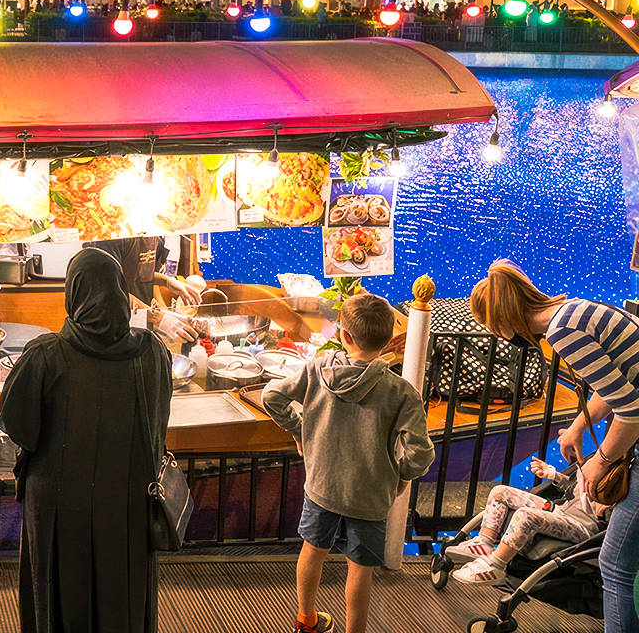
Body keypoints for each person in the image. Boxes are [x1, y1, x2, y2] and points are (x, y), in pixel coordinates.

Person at [0, 247, 171, 633]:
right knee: (123, 590)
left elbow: (17, 425)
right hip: (128, 502)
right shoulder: (152, 352)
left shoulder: (45, 356)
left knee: (59, 591)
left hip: (60, 506)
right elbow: (158, 420)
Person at [470, 259, 639, 632]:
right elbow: (619, 386)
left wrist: (602, 461)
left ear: (503, 320)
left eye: (493, 328)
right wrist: (577, 427)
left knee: (613, 565)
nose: (500, 336)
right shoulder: (572, 310)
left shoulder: (563, 331)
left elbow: (632, 409)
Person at [261, 292, 434, 633]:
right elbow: (420, 452)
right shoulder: (400, 392)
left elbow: (272, 396)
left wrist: (301, 430)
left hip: (322, 486)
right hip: (369, 496)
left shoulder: (316, 369)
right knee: (360, 568)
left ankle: (306, 620)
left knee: (313, 550)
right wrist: (401, 475)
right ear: (387, 341)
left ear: (345, 336)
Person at [447, 455, 606, 583]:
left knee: (525, 515)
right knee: (500, 492)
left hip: (582, 527)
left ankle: (496, 565)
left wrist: (606, 507)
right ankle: (484, 543)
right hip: (560, 510)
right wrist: (552, 474)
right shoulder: (598, 461)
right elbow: (572, 488)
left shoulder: (623, 478)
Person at [86, 236, 202, 342]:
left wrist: (167, 285)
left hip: (140, 324)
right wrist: (159, 318)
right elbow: (109, 289)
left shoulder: (152, 231)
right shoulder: (108, 236)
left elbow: (147, 276)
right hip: (109, 327)